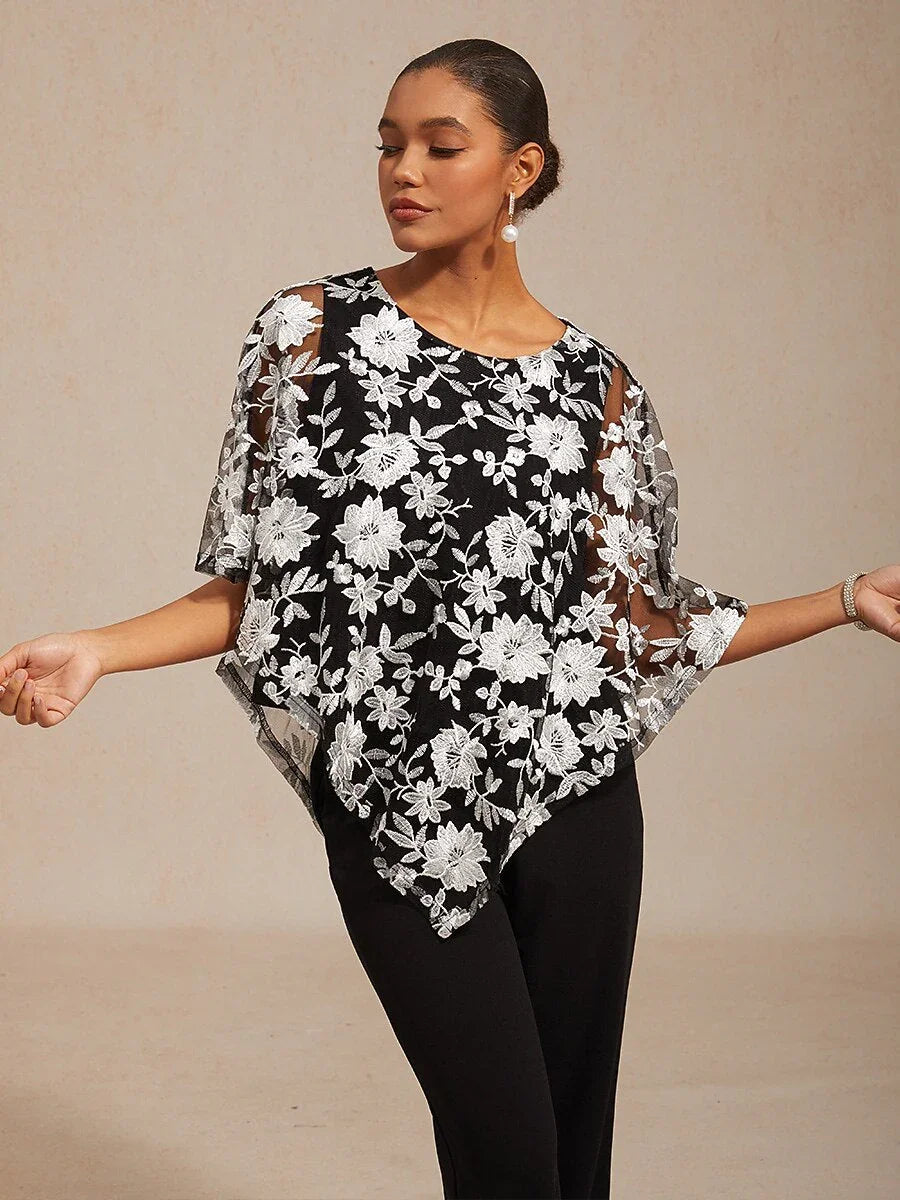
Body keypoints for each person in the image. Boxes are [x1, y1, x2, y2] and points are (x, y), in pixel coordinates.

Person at [3, 36, 897, 1200]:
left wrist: (843, 601)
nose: (403, 172)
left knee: (568, 1165)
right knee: (511, 1155)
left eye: (440, 145)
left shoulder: (600, 390)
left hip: (578, 809)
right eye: (389, 146)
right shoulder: (308, 336)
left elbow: (645, 626)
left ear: (522, 168)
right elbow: (260, 587)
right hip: (399, 810)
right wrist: (99, 651)